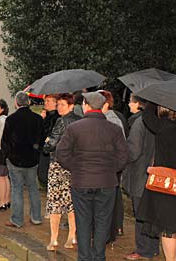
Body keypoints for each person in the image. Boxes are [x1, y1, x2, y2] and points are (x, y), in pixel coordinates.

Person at [57, 91, 129, 261]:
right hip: (106, 182)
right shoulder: (114, 129)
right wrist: (112, 170)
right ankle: (99, 256)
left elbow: (61, 154)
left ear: (86, 106)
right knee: (103, 221)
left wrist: (75, 168)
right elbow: (124, 155)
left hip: (81, 181)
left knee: (83, 222)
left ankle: (84, 257)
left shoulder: (74, 128)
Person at [136, 103, 176, 261]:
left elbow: (147, 117)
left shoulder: (162, 126)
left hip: (164, 186)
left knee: (167, 228)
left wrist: (152, 101)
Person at [43, 94, 81, 251]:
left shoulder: (61, 122)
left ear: (71, 106)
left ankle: (54, 239)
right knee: (72, 203)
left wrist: (46, 142)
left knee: (55, 204)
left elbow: (50, 145)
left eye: (62, 105)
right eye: (57, 104)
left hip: (58, 167)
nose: (59, 107)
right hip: (75, 166)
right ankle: (72, 236)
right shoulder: (80, 120)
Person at [122, 99, 159, 260]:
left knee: (141, 214)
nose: (129, 104)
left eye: (131, 101)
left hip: (140, 174)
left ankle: (143, 250)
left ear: (139, 104)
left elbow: (133, 150)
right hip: (155, 174)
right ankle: (153, 247)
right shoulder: (160, 122)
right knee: (152, 214)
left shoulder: (139, 123)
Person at [2, 91, 43, 228]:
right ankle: (36, 217)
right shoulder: (38, 119)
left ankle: (17, 220)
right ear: (29, 102)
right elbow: (41, 140)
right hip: (32, 160)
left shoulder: (11, 119)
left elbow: (5, 141)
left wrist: (7, 155)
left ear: (16, 103)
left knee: (17, 189)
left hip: (15, 160)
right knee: (33, 188)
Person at [99, 90, 126, 240]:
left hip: (110, 166)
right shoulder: (111, 118)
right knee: (114, 198)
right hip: (111, 166)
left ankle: (113, 229)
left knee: (112, 200)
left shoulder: (111, 120)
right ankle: (116, 227)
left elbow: (117, 146)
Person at [38, 95, 60, 188]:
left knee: (45, 176)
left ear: (55, 103)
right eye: (45, 101)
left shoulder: (55, 118)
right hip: (45, 150)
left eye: (48, 101)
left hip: (50, 152)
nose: (45, 103)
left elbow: (47, 134)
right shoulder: (48, 116)